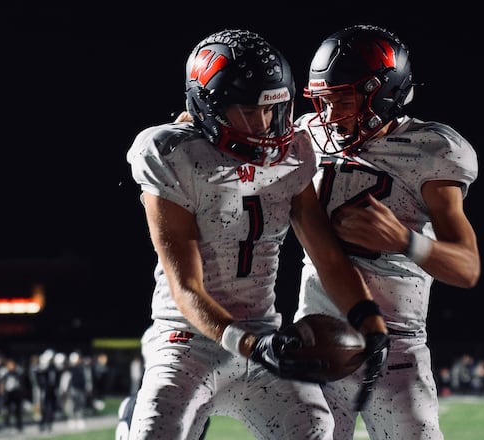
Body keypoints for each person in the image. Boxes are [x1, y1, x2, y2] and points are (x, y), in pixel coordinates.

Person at [125, 28, 389, 440]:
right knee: (155, 432)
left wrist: (371, 322)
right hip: (186, 339)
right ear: (209, 107)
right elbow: (185, 287)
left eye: (272, 109)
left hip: (266, 335)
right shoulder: (171, 154)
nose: (264, 124)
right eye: (248, 110)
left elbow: (328, 256)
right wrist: (248, 344)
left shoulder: (294, 152)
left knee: (315, 428)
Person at [295, 24, 481, 439]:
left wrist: (404, 240)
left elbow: (468, 268)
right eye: (321, 101)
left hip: (397, 348)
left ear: (383, 92)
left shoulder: (430, 149)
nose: (327, 115)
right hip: (318, 339)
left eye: (341, 99)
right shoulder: (304, 137)